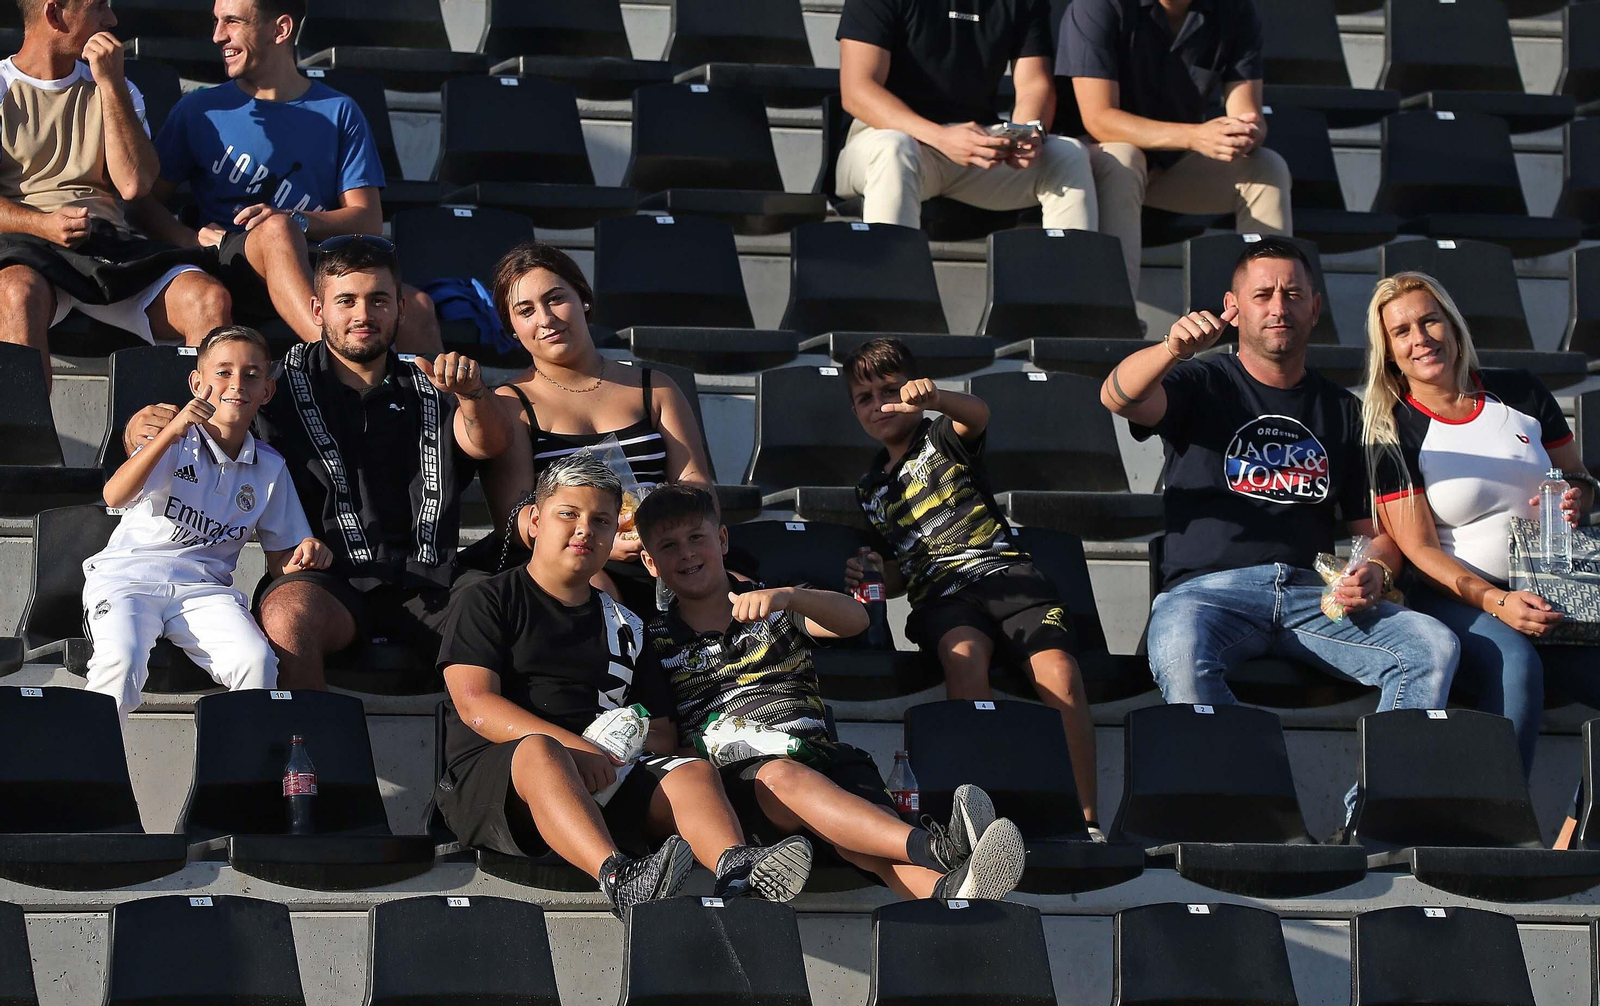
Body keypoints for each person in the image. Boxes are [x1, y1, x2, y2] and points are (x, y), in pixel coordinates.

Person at [1099, 238, 1458, 828]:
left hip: (1311, 596)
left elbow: (1374, 532)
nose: (1278, 307)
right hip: (1207, 592)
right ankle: (1246, 810)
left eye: (1292, 294)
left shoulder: (1342, 410)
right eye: (1262, 294)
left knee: (1430, 646)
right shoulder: (1201, 381)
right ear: (1233, 306)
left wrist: (1374, 568)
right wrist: (1170, 348)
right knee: (1180, 651)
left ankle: (1369, 817)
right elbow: (1117, 395)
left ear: (1315, 307)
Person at [123, 236, 512, 690]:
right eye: (346, 301)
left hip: (431, 579)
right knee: (288, 616)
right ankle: (305, 754)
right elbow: (206, 419)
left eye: (378, 300)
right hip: (328, 582)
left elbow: (488, 444)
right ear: (317, 309)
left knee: (500, 605)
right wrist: (141, 424)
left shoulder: (431, 383)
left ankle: (484, 749)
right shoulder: (272, 387)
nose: (363, 316)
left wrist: (474, 396)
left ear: (401, 308)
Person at [437, 453, 813, 916]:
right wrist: (574, 746)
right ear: (535, 521)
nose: (584, 530)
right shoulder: (487, 597)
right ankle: (619, 877)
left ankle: (736, 870)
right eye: (568, 514)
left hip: (599, 776)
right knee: (540, 750)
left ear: (615, 534)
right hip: (498, 782)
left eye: (600, 520)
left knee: (691, 770)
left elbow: (659, 730)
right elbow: (475, 703)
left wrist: (616, 751)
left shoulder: (627, 623)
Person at [635, 483, 1028, 900]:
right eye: (669, 545)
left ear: (722, 539)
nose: (687, 553)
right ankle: (939, 848)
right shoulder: (651, 639)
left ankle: (953, 891)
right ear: (650, 562)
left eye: (697, 537)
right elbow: (664, 737)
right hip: (746, 786)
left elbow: (855, 621)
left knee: (865, 837)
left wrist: (790, 597)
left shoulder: (778, 601)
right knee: (782, 776)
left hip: (822, 759)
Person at [840, 338, 1102, 833]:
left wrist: (935, 398)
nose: (880, 404)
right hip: (942, 598)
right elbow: (900, 571)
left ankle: (1085, 819)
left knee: (1062, 675)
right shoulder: (869, 488)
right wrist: (875, 570)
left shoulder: (941, 436)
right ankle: (978, 822)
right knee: (964, 664)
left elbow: (977, 413)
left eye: (890, 390)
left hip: (1010, 580)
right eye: (864, 397)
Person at [1361, 271, 1600, 783]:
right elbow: (1419, 549)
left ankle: (1577, 828)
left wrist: (1580, 497)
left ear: (1453, 324)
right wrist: (1498, 602)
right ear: (1388, 351)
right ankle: (1498, 832)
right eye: (1402, 332)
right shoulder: (1390, 427)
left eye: (1430, 321)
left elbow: (1577, 476)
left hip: (1556, 590)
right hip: (1452, 600)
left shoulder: (1522, 392)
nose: (1421, 339)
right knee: (1516, 665)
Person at [126, 0, 442, 355]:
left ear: (280, 29)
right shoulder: (199, 110)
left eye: (232, 22)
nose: (217, 36)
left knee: (416, 309)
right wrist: (189, 239)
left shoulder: (339, 111)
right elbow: (141, 203)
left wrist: (297, 220)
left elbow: (367, 219)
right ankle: (336, 359)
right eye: (216, 22)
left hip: (318, 265)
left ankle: (434, 408)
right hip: (230, 261)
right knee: (276, 231)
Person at [84, 325, 330, 720]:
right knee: (122, 662)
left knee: (256, 662)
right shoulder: (173, 438)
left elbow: (282, 559)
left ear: (267, 391)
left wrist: (308, 552)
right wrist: (171, 432)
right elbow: (115, 496)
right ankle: (87, 776)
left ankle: (243, 774)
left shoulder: (270, 465)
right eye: (223, 372)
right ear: (197, 381)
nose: (237, 384)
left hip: (203, 591)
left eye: (252, 375)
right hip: (127, 580)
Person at [0, 0, 231, 388]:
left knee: (208, 299)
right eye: (99, 8)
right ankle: (25, 448)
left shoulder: (118, 86)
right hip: (27, 251)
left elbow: (134, 185)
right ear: (55, 15)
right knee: (15, 293)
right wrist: (42, 224)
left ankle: (199, 443)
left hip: (108, 247)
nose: (112, 21)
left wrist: (110, 83)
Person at [482, 242, 712, 615]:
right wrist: (598, 539)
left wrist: (662, 533)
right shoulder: (511, 405)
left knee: (741, 594)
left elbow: (695, 483)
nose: (545, 318)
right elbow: (516, 517)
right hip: (574, 560)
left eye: (556, 299)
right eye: (526, 311)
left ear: (583, 298)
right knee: (593, 593)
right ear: (512, 329)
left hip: (667, 548)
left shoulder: (656, 388)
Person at [1060, 0, 1292, 293]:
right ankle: (1117, 319)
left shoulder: (1235, 10)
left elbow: (1246, 111)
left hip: (1173, 165)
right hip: (1095, 167)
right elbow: (1099, 120)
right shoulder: (1098, 5)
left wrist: (1246, 131)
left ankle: (1267, 313)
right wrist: (1195, 137)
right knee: (1122, 157)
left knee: (1266, 168)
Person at [834, 0, 1096, 234]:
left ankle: (1070, 286)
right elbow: (858, 90)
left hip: (973, 148)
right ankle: (889, 284)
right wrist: (940, 137)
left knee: (1068, 155)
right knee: (895, 149)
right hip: (882, 138)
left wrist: (1026, 133)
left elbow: (1034, 85)